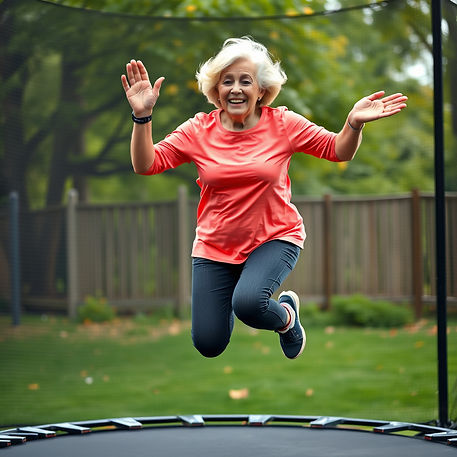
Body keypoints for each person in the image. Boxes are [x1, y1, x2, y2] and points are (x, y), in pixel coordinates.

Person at [121, 37, 407, 360]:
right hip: (215, 246)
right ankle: (247, 310)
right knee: (208, 343)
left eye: (246, 81)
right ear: (216, 90)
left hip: (275, 237)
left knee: (248, 302)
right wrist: (142, 117)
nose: (236, 89)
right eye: (227, 81)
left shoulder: (282, 124)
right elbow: (146, 164)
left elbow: (337, 149)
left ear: (261, 90)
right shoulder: (198, 130)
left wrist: (352, 124)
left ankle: (286, 318)